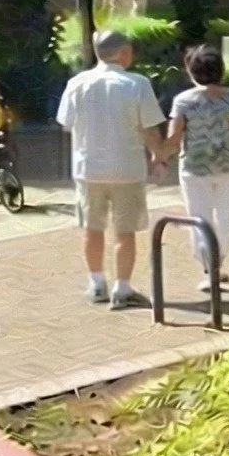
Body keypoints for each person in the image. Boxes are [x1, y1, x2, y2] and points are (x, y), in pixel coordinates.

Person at [55, 30, 166, 309]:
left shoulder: (77, 83)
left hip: (88, 167)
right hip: (127, 168)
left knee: (92, 228)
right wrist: (159, 154)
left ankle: (96, 283)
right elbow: (149, 128)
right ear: (124, 52)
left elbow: (66, 124)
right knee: (124, 231)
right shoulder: (137, 84)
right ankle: (122, 287)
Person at [168, 45, 229, 294]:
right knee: (224, 216)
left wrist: (159, 154)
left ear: (191, 71)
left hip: (195, 167)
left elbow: (174, 134)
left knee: (198, 217)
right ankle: (218, 261)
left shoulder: (184, 101)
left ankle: (208, 268)